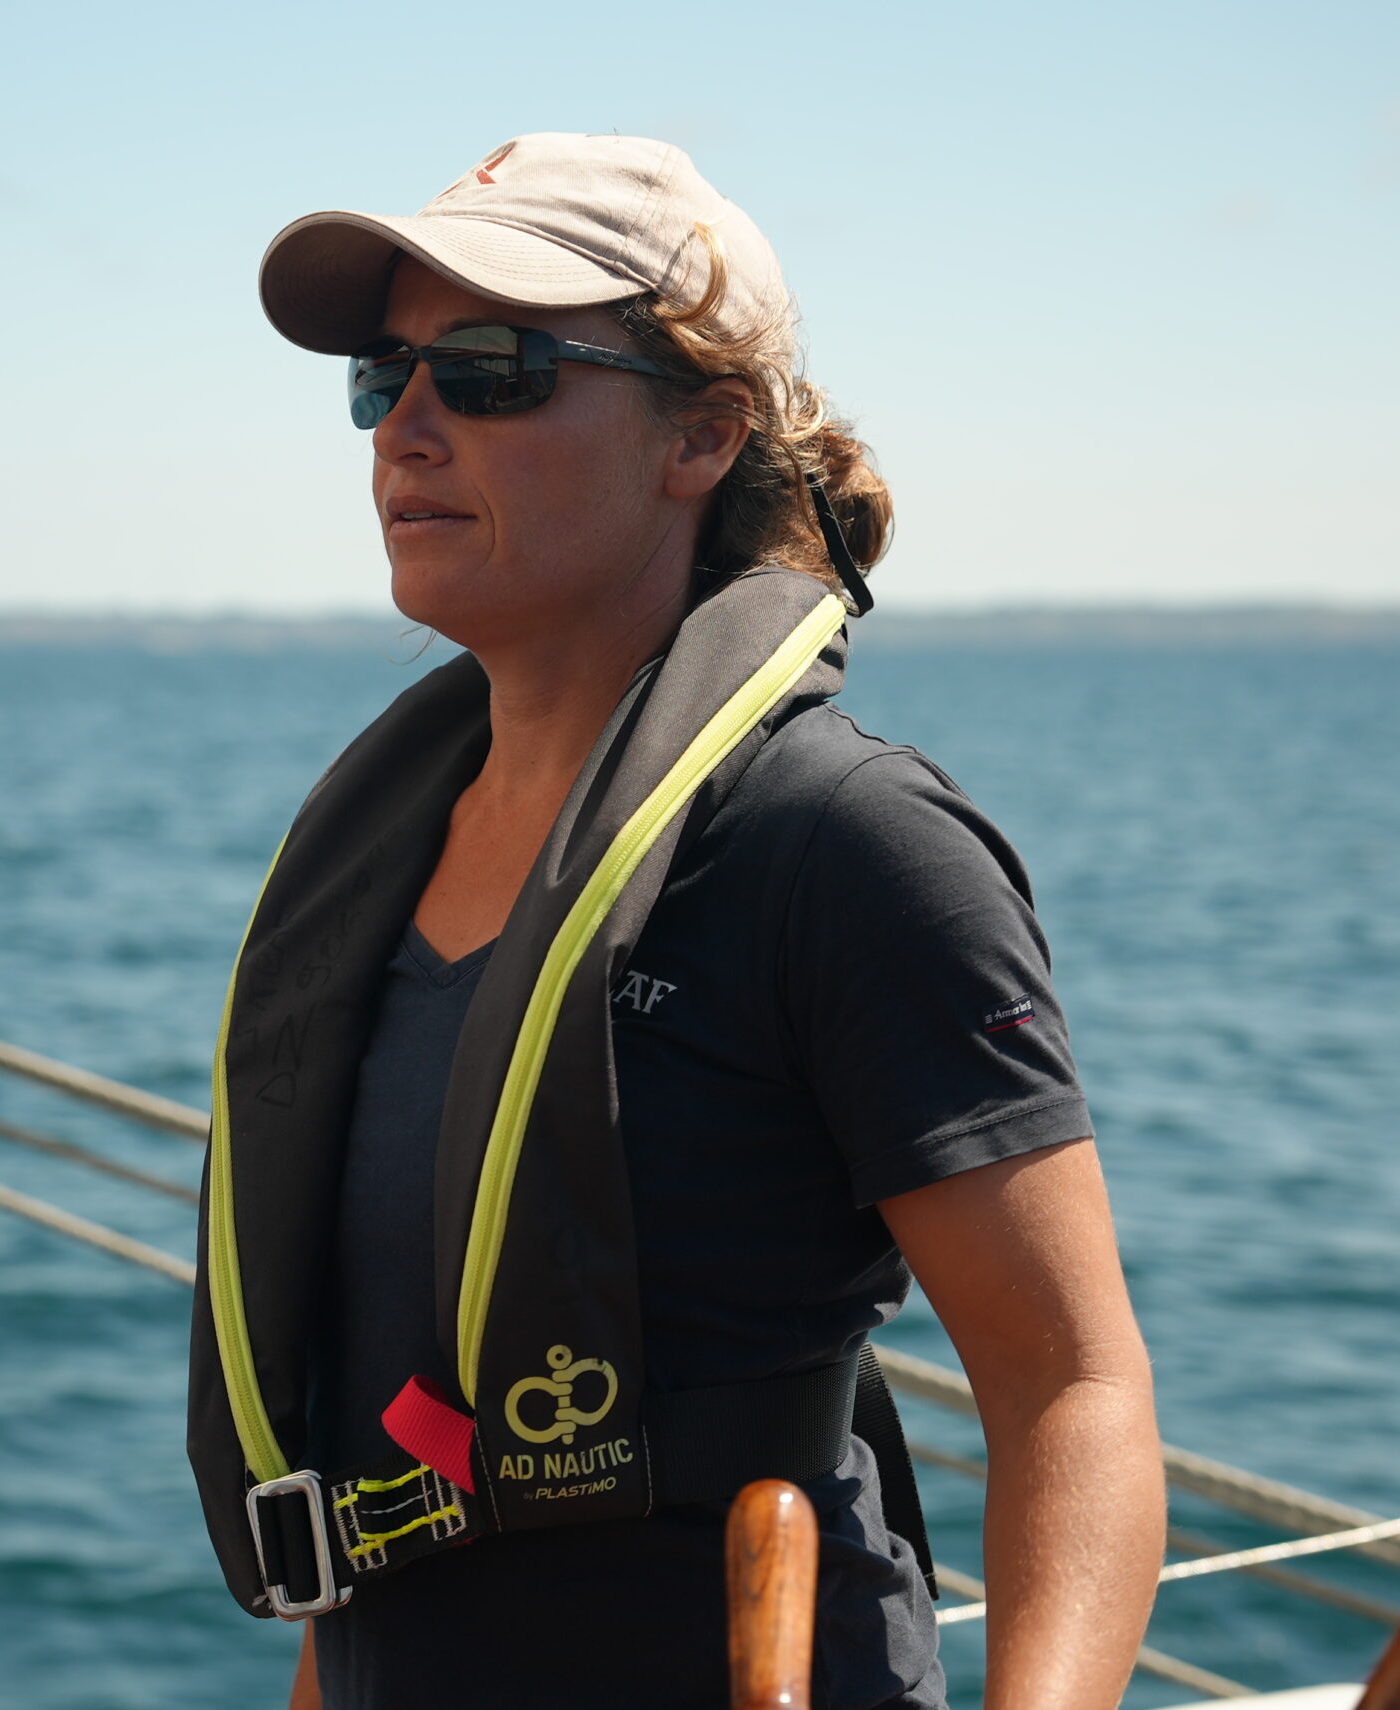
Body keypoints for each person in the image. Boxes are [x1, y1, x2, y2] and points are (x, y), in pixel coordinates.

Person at [187, 133, 1164, 1710]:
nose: (410, 426)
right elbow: (419, 1428)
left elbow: (1073, 1386)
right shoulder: (370, 860)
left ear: (702, 436)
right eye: (385, 375)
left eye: (491, 370)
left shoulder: (843, 842)